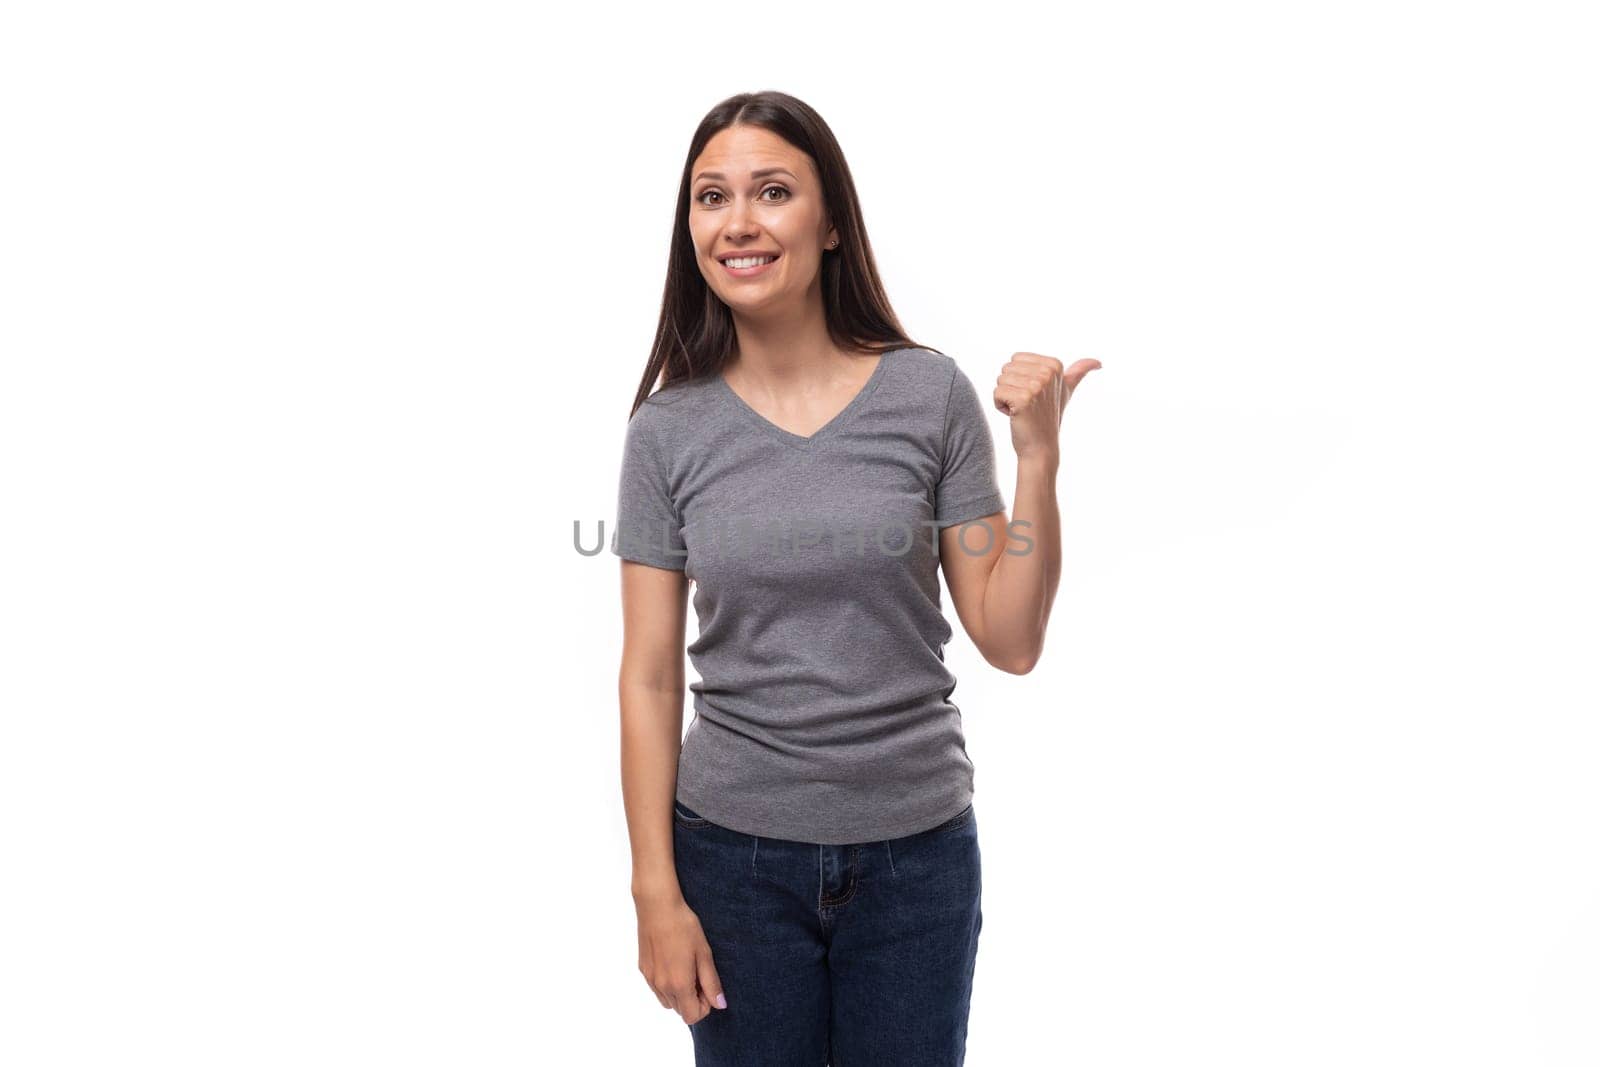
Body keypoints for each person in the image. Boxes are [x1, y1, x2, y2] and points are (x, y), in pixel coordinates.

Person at [611, 90, 1099, 1066]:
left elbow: (1008, 637)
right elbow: (649, 674)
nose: (738, 221)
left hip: (915, 860)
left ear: (829, 222)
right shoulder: (667, 432)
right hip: (733, 860)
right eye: (711, 198)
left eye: (773, 191)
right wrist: (655, 891)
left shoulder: (927, 395)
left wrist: (1036, 457)